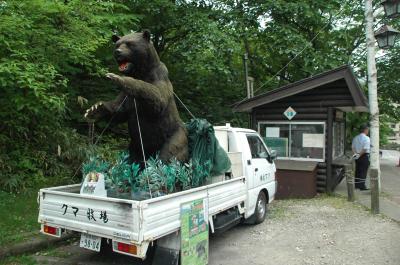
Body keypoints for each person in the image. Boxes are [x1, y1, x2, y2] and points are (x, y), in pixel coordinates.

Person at [352, 124, 371, 190]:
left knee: (357, 171)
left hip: (356, 156)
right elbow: (365, 149)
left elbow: (353, 147)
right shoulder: (367, 138)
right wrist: (360, 155)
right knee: (363, 171)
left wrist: (356, 155)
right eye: (367, 129)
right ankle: (362, 186)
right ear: (365, 130)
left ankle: (356, 185)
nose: (368, 131)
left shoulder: (355, 137)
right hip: (364, 156)